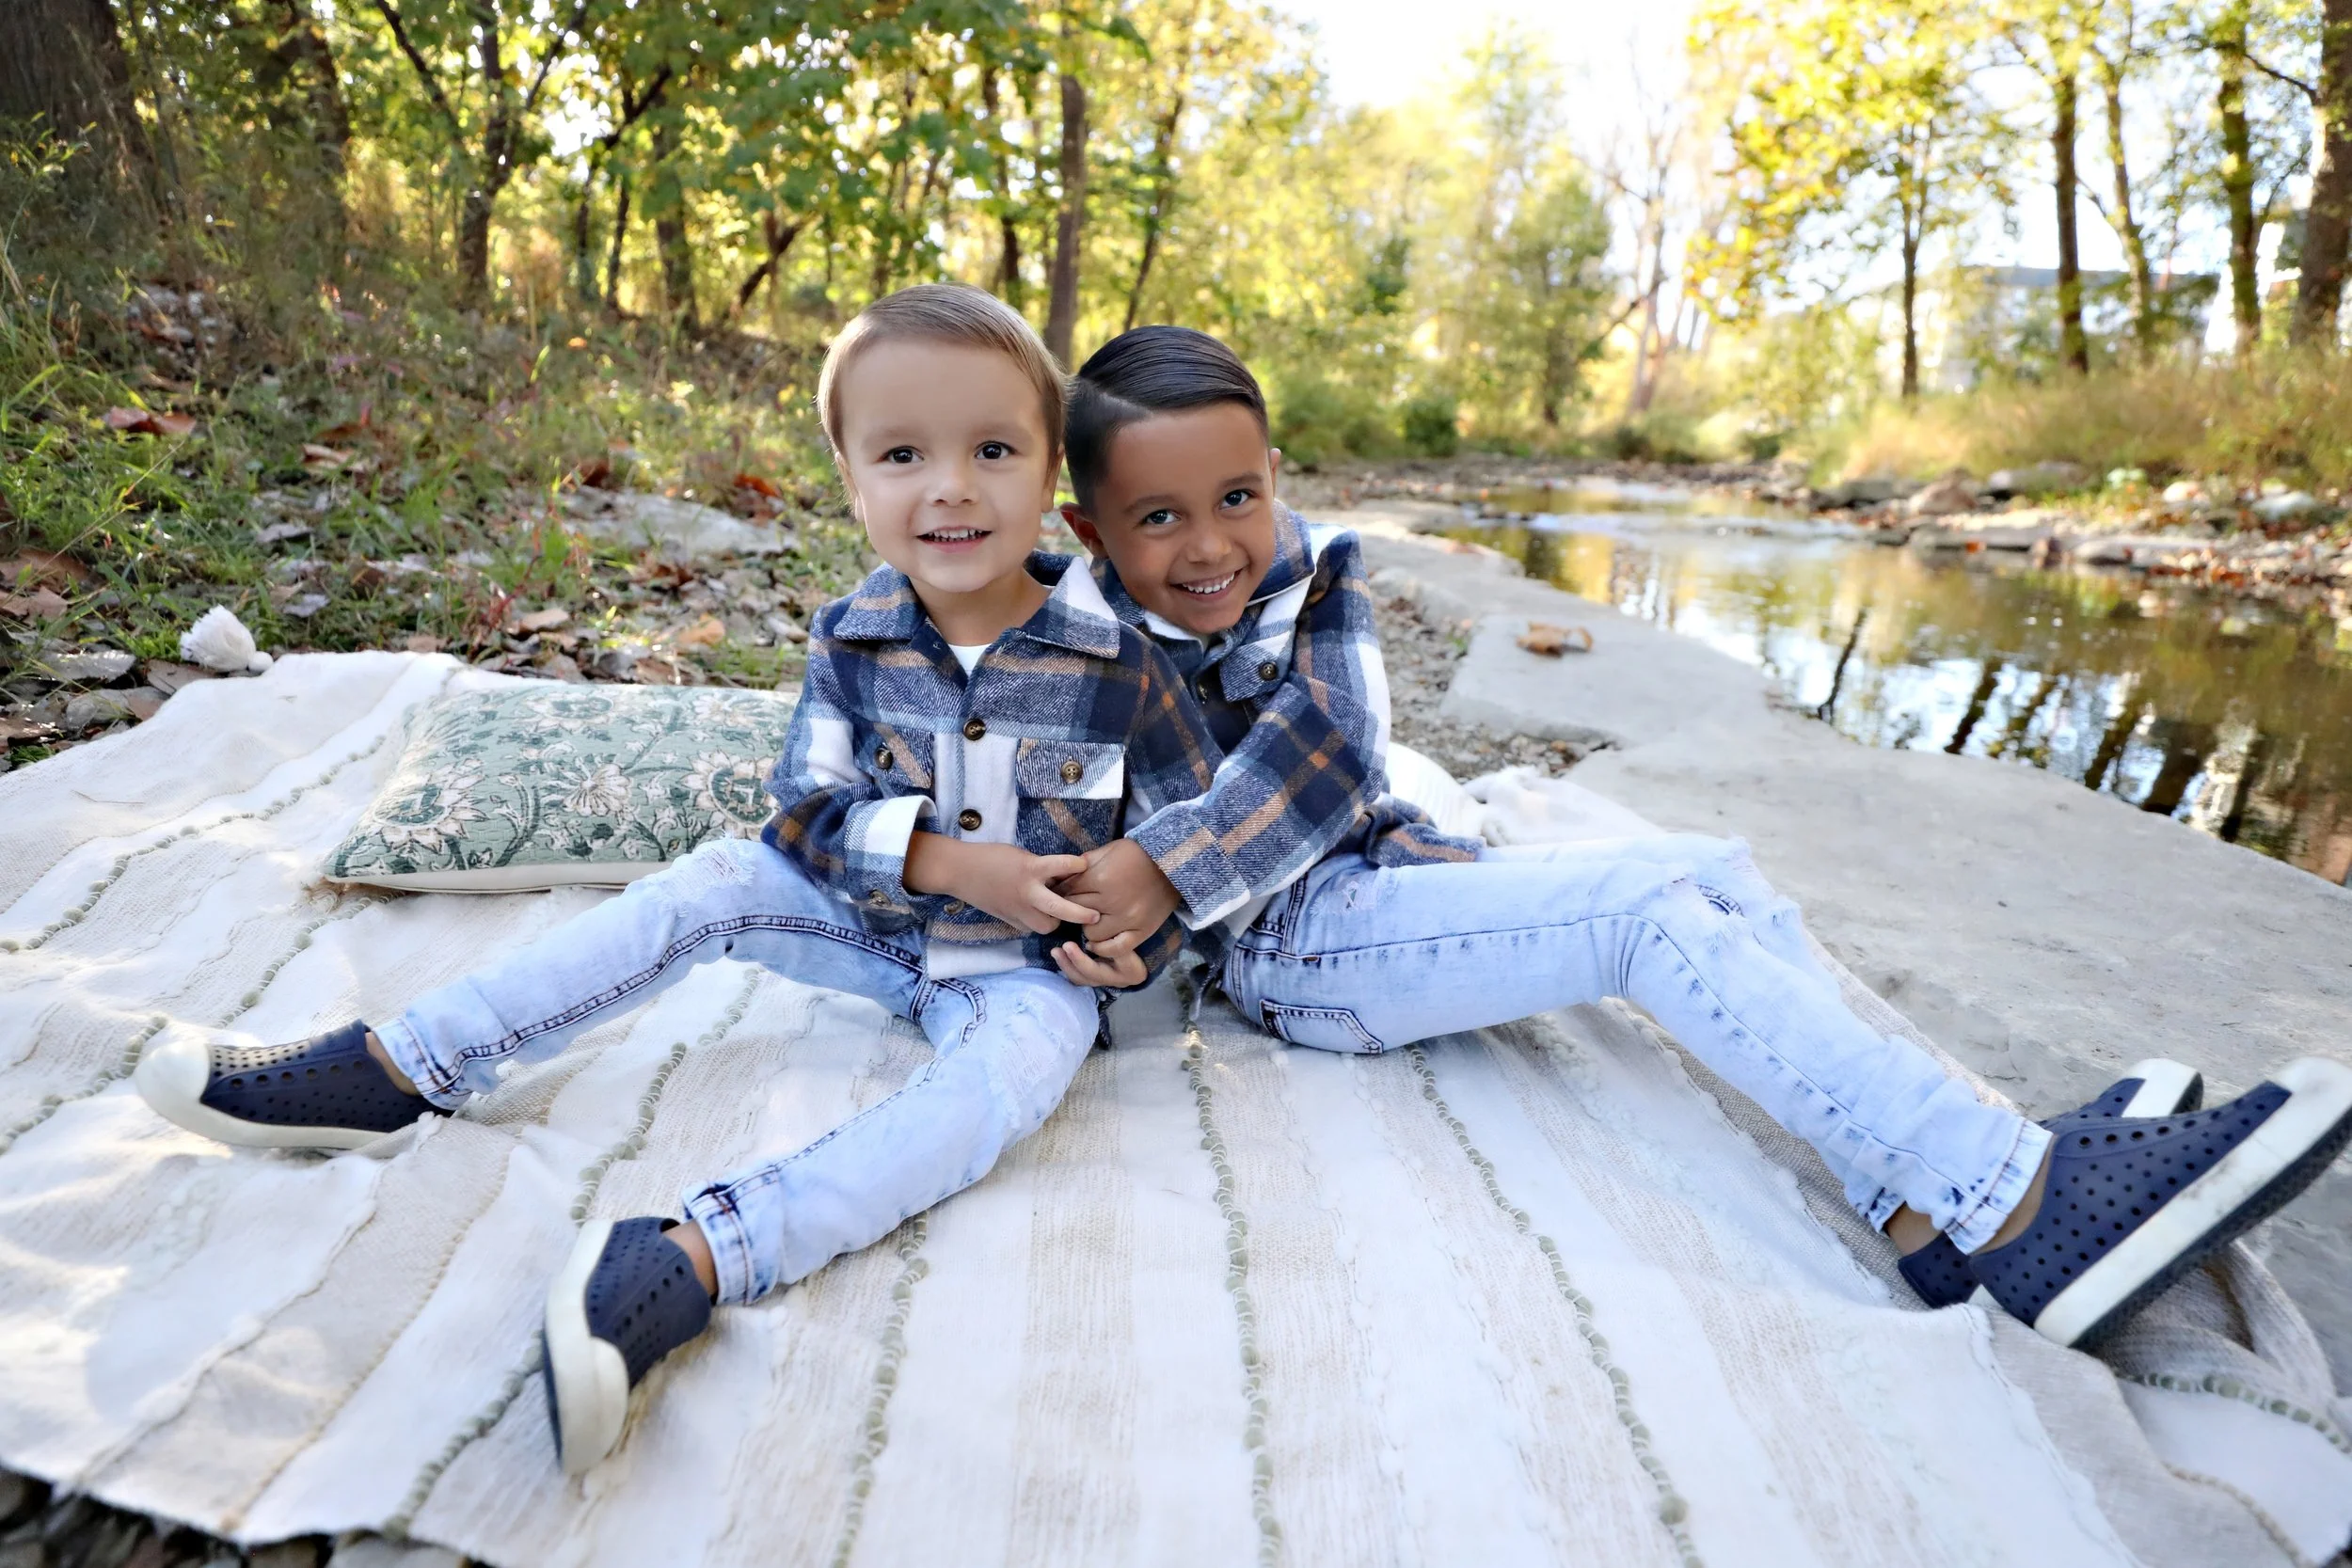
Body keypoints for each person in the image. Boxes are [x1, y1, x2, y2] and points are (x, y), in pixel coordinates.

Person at [1046, 323, 2352, 1353]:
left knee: (1712, 869)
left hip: (1384, 866)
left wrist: (1165, 855)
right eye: (1159, 518)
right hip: (1290, 949)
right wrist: (1125, 900)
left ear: (1275, 480)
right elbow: (1076, 854)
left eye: (1236, 496)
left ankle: (1931, 1196)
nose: (1210, 543)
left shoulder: (1317, 569)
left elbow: (1333, 751)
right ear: (1092, 531)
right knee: (1641, 920)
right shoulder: (1081, 640)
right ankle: (2017, 1202)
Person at [134, 284, 1218, 1474]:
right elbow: (804, 811)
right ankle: (403, 1064)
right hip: (872, 921)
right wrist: (950, 862)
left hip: (1029, 974)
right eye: (903, 453)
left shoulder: (1124, 653)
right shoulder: (850, 637)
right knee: (707, 879)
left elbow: (1183, 837)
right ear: (852, 483)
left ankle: (688, 1255)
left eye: (992, 449)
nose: (950, 484)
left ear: (1051, 477)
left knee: (989, 1100)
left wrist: (1136, 940)